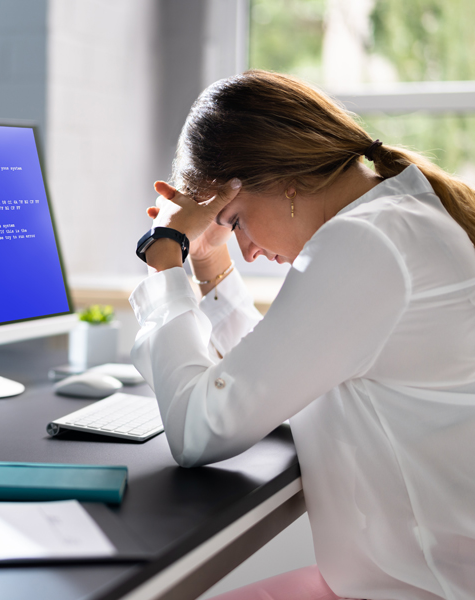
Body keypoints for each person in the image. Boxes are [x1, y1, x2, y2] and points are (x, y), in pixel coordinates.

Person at [130, 70, 475, 600]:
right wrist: (211, 259)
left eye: (236, 220)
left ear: (282, 182)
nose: (247, 250)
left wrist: (165, 256)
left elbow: (198, 430)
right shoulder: (394, 219)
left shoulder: (365, 243)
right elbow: (284, 373)